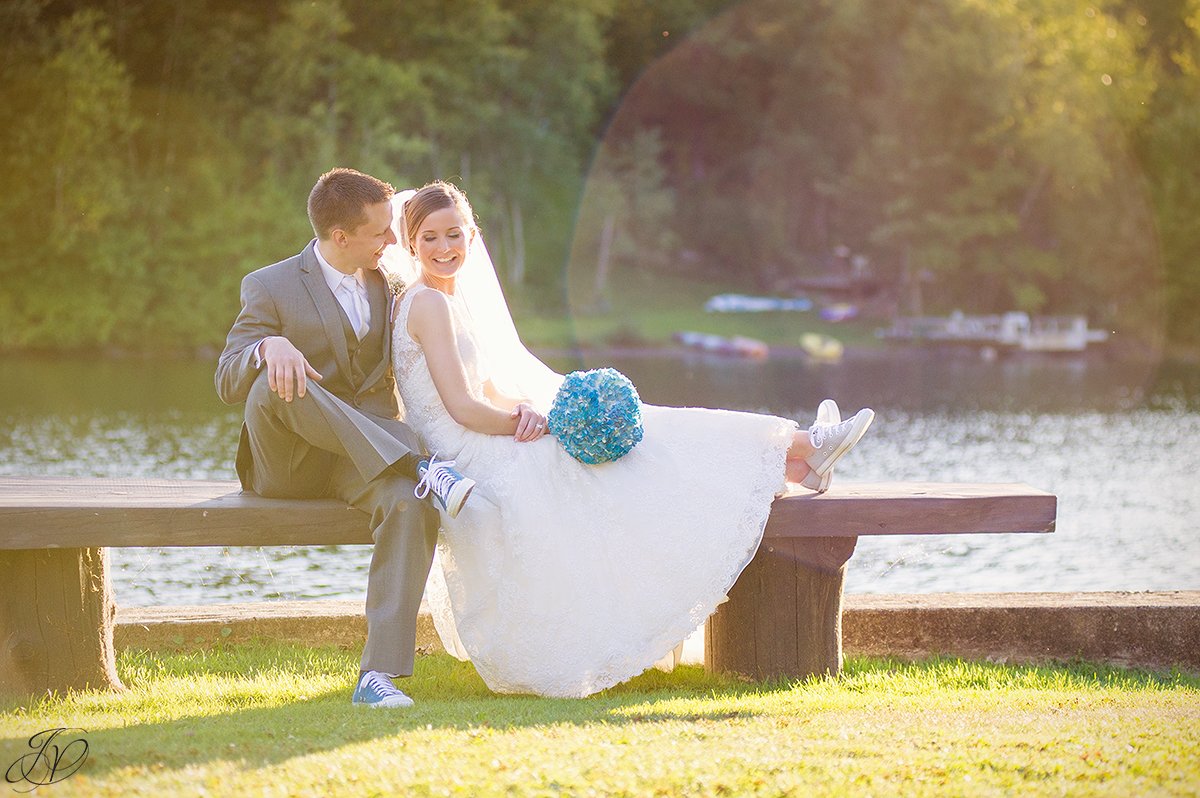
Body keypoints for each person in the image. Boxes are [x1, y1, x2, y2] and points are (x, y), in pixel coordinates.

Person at [386, 180, 875, 698]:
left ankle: (795, 455)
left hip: (486, 435)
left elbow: (485, 390)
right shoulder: (427, 306)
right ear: (411, 244)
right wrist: (535, 425)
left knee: (648, 434)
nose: (445, 249)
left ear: (471, 234)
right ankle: (798, 451)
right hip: (467, 455)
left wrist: (527, 409)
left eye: (454, 235)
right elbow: (460, 409)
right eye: (431, 238)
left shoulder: (449, 300)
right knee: (641, 446)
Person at [215, 168, 478, 709]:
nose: (392, 240)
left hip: (362, 462)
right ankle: (421, 464)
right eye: (382, 231)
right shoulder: (270, 284)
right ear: (341, 237)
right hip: (288, 464)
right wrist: (269, 348)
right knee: (276, 383)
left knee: (411, 505)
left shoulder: (391, 285)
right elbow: (225, 379)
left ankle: (376, 677)